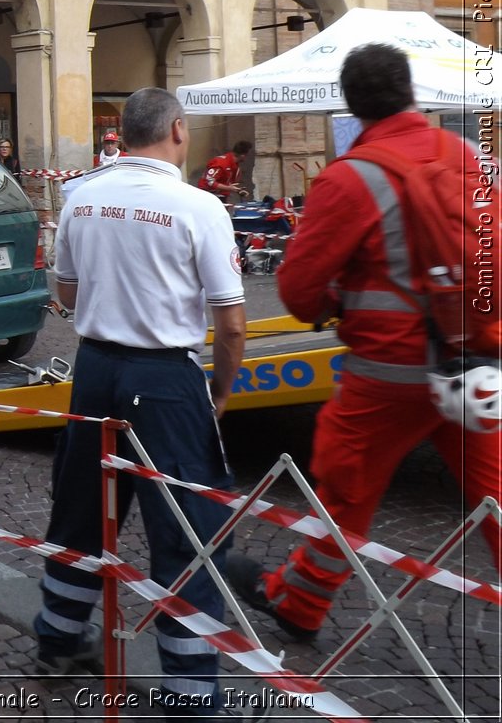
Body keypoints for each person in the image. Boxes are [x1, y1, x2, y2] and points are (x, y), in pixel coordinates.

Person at [227, 44, 501, 641]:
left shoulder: (349, 178)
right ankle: (300, 600)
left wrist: (343, 294)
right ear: (412, 93)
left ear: (351, 105)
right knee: (496, 496)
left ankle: (300, 603)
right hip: (470, 361)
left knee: (346, 490)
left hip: (389, 372)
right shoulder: (464, 156)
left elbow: (299, 291)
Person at [34, 87, 246, 719]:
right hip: (164, 378)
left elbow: (68, 291)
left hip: (95, 367)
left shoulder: (80, 197)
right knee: (185, 531)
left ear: (122, 134)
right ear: (177, 130)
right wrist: (220, 392)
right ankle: (190, 697)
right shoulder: (198, 206)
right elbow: (231, 323)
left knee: (78, 509)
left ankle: (57, 638)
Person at [196, 139, 252, 203]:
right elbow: (210, 181)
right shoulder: (221, 163)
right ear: (243, 156)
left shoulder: (236, 167)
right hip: (208, 196)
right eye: (247, 155)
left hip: (222, 196)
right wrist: (229, 188)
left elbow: (230, 184)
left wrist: (238, 190)